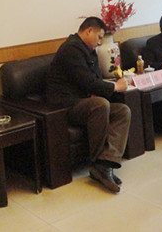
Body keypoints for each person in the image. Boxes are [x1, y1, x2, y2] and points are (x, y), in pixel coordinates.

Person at [45, 16, 131, 193]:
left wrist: (103, 88)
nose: (100, 42)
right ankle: (98, 164)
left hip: (82, 101)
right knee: (100, 105)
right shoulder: (71, 49)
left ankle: (105, 163)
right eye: (99, 37)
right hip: (64, 105)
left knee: (122, 111)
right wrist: (116, 86)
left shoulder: (88, 50)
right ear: (89, 31)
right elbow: (87, 81)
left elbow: (95, 79)